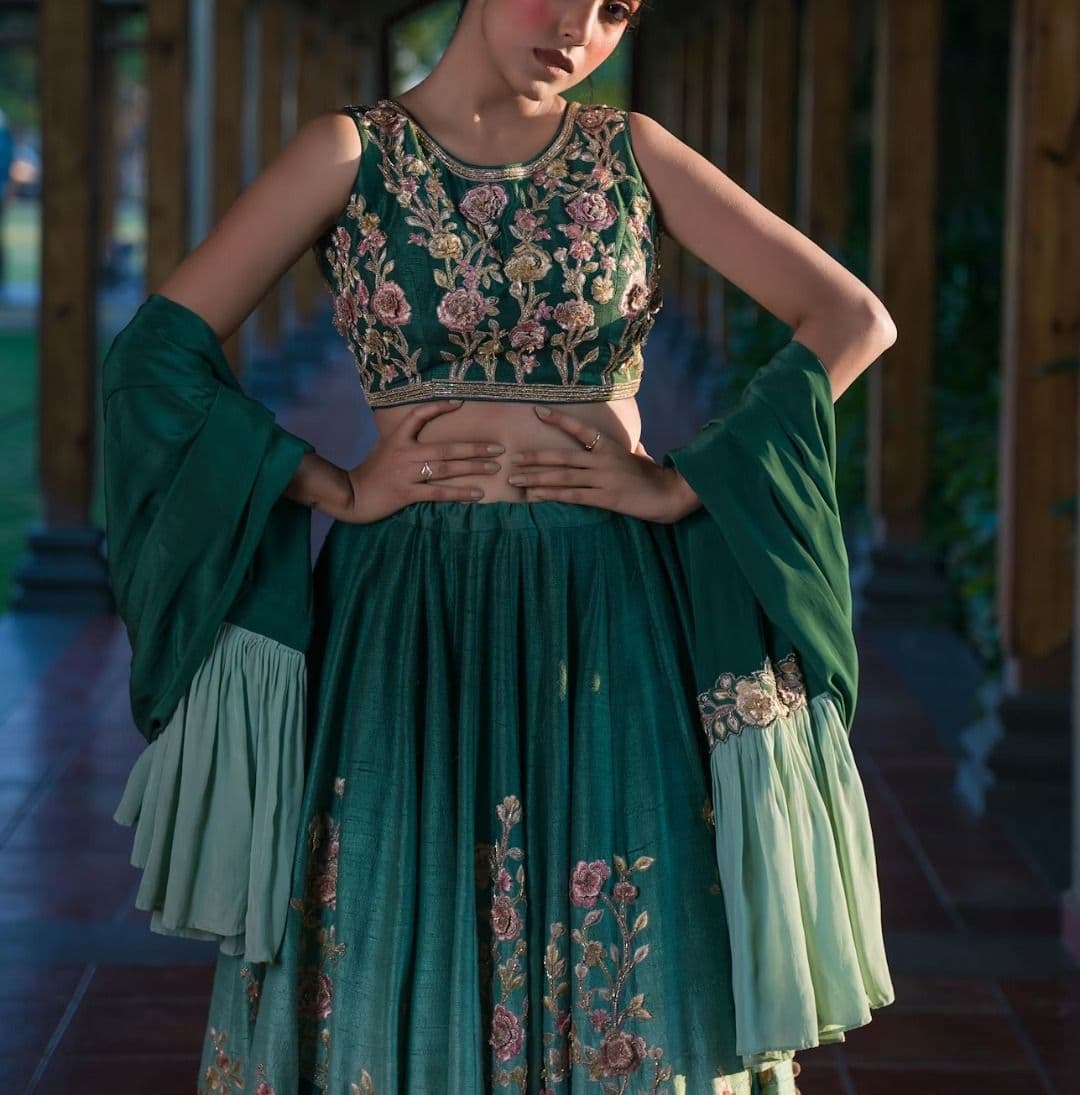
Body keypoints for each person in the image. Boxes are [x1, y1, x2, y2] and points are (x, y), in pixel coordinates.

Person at [103, 2, 897, 1092]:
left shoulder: (634, 154)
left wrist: (681, 484)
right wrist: (330, 481)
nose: (580, 25)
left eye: (617, 7)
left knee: (627, 943)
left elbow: (851, 318)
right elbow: (155, 360)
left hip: (607, 607)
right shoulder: (349, 153)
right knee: (395, 914)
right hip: (408, 616)